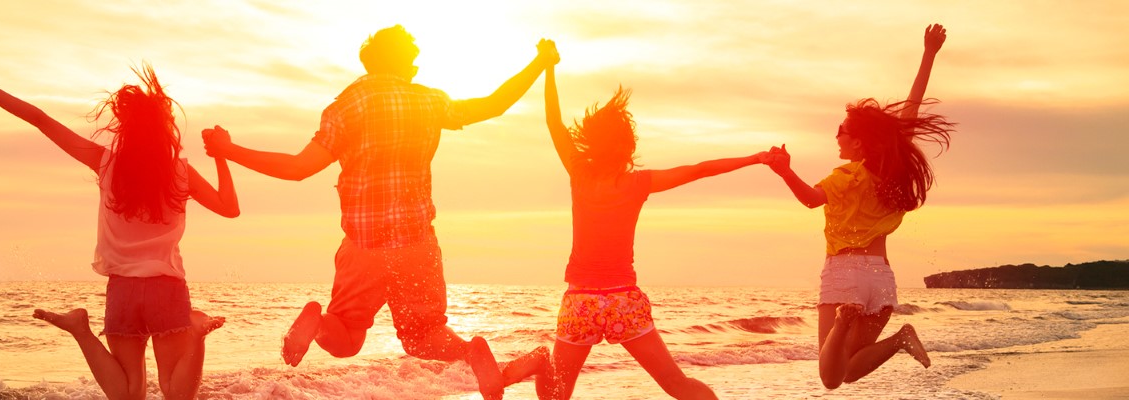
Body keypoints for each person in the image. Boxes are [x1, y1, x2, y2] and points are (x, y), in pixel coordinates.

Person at [201, 25, 559, 399]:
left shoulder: (346, 106)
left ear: (370, 61)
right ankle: (471, 352)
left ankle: (319, 322)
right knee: (424, 337)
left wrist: (230, 149)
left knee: (346, 338)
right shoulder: (429, 101)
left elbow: (298, 168)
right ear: (405, 63)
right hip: (416, 246)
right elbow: (494, 104)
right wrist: (539, 62)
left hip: (363, 250)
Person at [0, 47, 237, 400]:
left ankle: (81, 331)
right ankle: (197, 337)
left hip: (123, 289)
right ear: (164, 128)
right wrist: (223, 156)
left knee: (127, 394)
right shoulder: (181, 172)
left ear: (124, 126)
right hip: (166, 287)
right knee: (174, 392)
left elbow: (41, 119)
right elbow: (230, 208)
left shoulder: (106, 162)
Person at [529, 42, 773, 400]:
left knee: (556, 394)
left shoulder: (578, 173)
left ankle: (535, 362)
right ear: (627, 145)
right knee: (677, 385)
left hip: (581, 300)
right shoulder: (638, 183)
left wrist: (548, 67)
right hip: (623, 300)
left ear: (590, 142)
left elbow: (552, 121)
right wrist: (755, 158)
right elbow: (701, 170)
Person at [760, 24, 954, 389]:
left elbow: (810, 200)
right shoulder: (892, 173)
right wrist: (929, 53)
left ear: (861, 144)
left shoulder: (846, 177)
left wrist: (785, 172)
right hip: (880, 277)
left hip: (844, 272)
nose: (837, 135)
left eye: (842, 129)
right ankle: (900, 339)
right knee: (847, 372)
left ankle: (843, 322)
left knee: (830, 377)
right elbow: (912, 107)